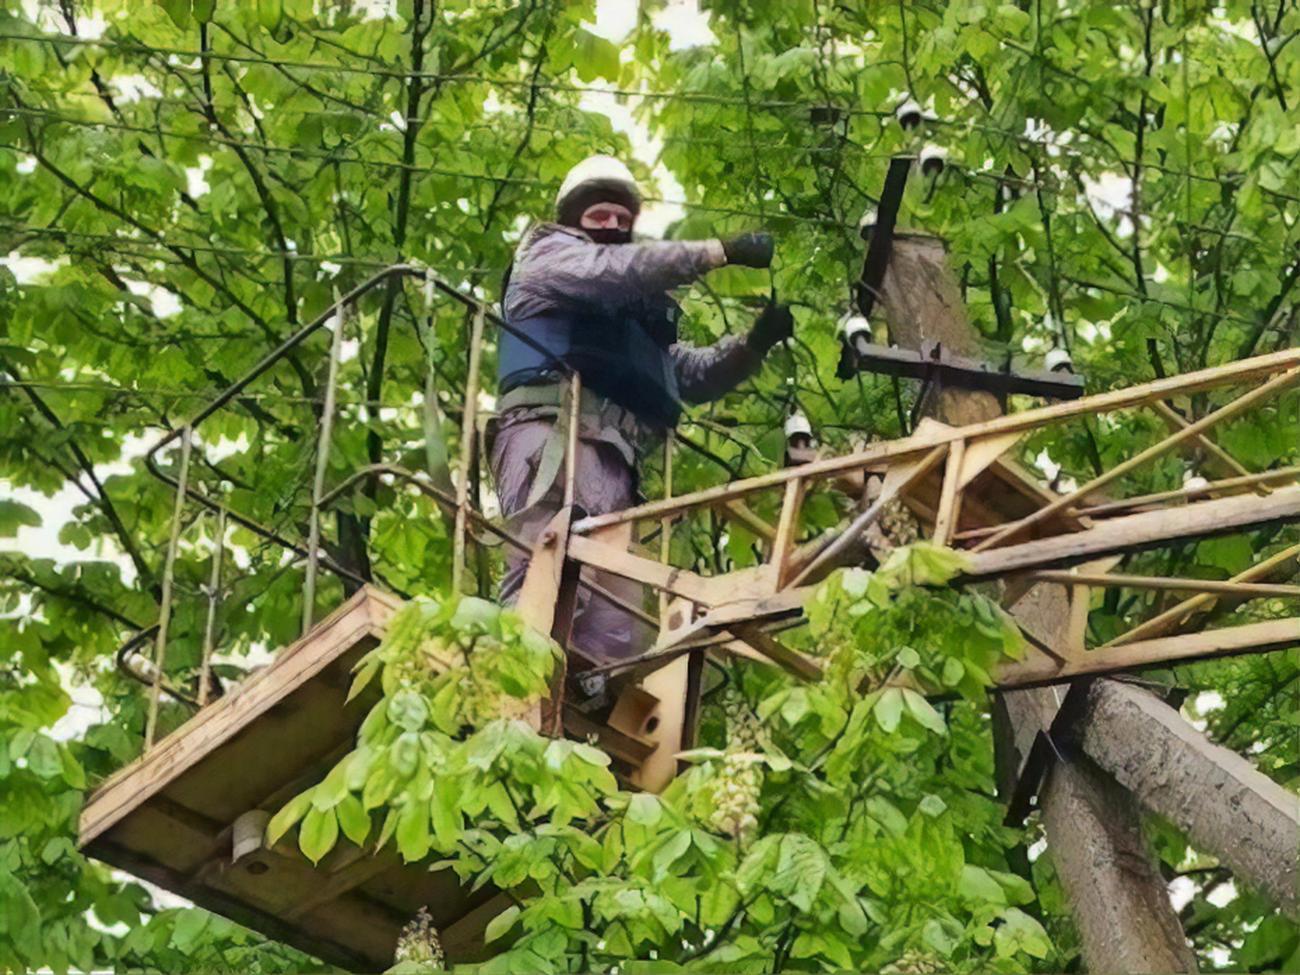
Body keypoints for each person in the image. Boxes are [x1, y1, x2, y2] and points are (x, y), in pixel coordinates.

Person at [491, 155, 793, 662]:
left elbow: (687, 374)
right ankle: (512, 694)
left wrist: (754, 344)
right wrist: (719, 251)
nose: (612, 226)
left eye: (620, 218)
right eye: (598, 216)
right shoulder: (550, 256)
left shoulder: (628, 312)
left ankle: (589, 714)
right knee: (545, 570)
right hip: (551, 438)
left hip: (616, 463)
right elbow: (615, 270)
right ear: (574, 217)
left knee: (615, 620)